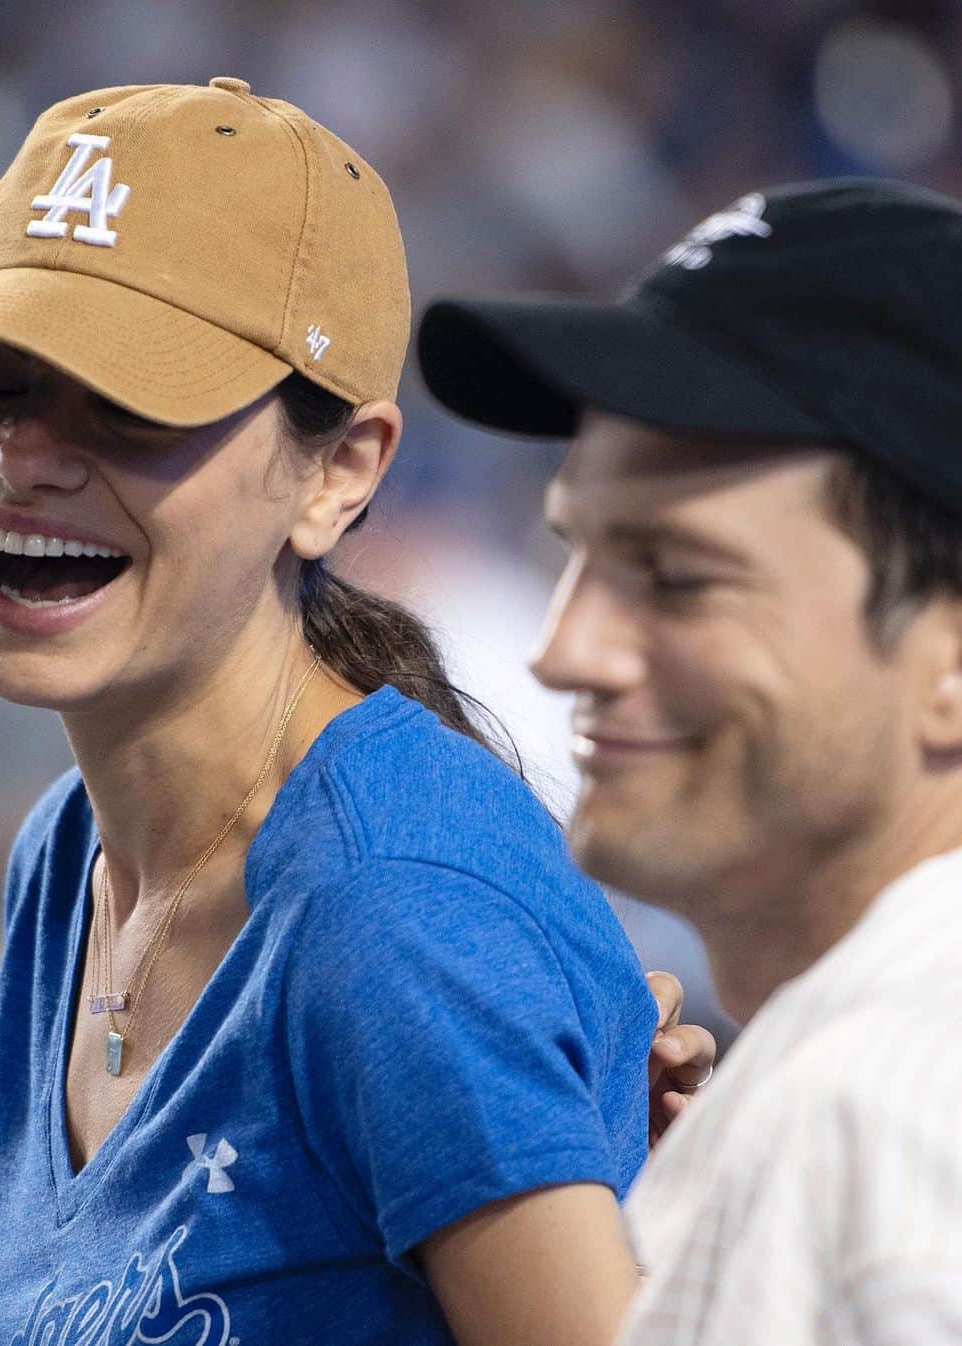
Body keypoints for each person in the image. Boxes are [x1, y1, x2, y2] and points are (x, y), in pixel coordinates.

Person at [0, 79, 710, 1346]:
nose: (22, 456)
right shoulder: (67, 852)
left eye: (131, 398)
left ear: (340, 470)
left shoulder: (395, 905)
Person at [418, 177, 962, 1344]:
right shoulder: (835, 1093)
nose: (565, 649)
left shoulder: (887, 1118)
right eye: (576, 552)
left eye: (677, 575)